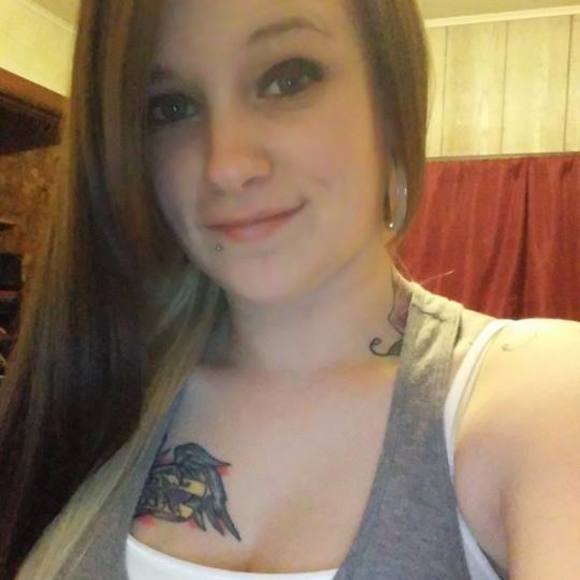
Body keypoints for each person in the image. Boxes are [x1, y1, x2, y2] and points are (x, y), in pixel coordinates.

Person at [1, 0, 579, 578]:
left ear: (390, 102)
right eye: (170, 107)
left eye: (287, 77)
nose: (227, 166)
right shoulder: (104, 381)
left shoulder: (537, 397)